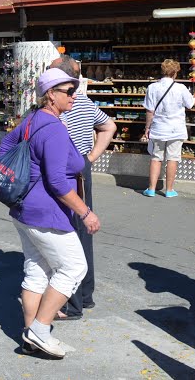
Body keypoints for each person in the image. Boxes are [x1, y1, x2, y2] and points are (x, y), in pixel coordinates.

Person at [0, 68, 100, 359]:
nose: (74, 96)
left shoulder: (31, 120)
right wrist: (86, 212)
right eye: (68, 91)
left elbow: (5, 146)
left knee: (36, 271)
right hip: (46, 212)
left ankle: (31, 334)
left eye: (74, 90)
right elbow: (57, 181)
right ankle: (40, 331)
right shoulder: (54, 128)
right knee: (74, 268)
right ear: (50, 94)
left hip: (23, 208)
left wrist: (26, 175)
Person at [48, 55, 115, 321]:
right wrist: (90, 157)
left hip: (65, 170)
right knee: (83, 231)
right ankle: (86, 295)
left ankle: (71, 302)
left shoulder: (59, 106)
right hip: (81, 168)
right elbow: (109, 126)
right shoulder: (85, 102)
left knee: (68, 234)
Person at [140, 59, 195, 197]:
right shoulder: (181, 88)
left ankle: (151, 189)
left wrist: (147, 128)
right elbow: (192, 103)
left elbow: (149, 111)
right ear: (175, 72)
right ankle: (169, 190)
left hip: (158, 128)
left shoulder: (152, 87)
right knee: (172, 158)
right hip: (176, 129)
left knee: (156, 158)